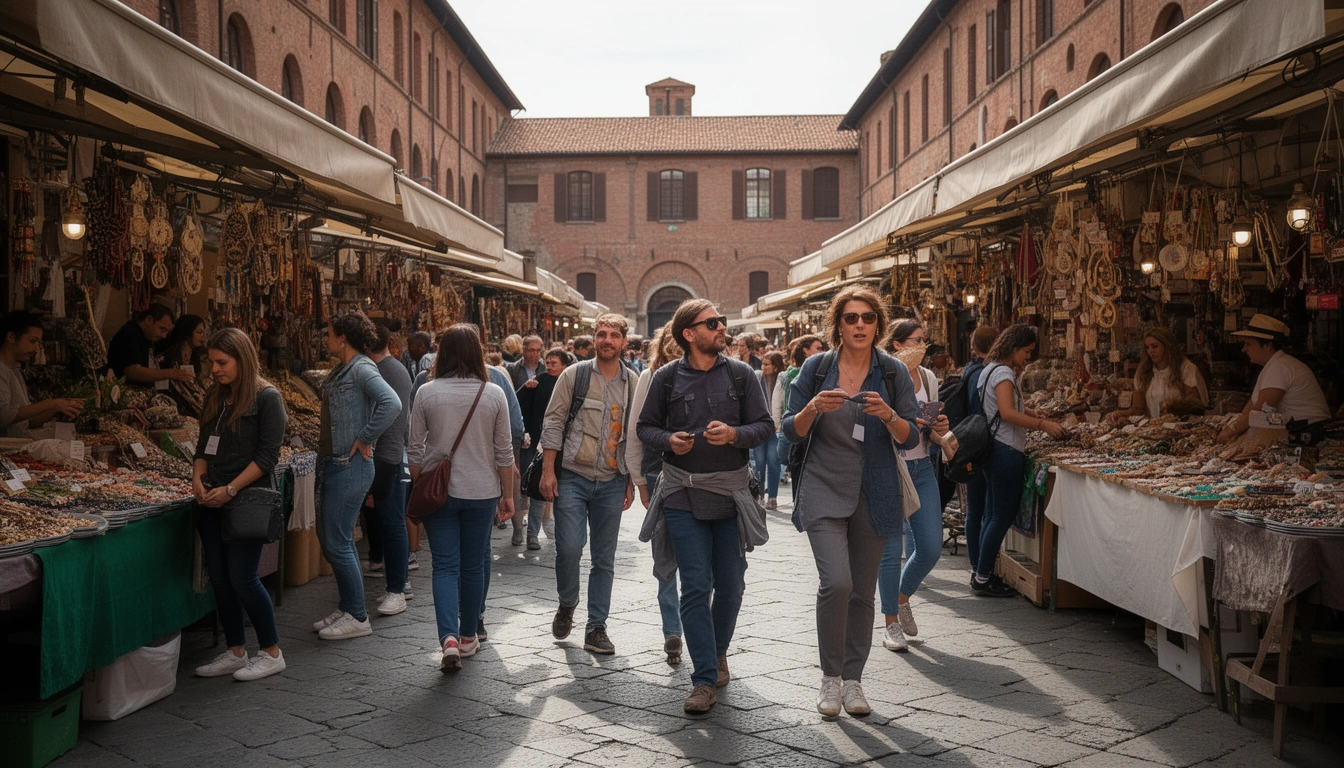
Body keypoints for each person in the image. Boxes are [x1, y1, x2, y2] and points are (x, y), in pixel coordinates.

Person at [782, 285, 921, 718]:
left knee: (862, 593)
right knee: (836, 583)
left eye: (868, 318)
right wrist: (813, 410)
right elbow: (789, 428)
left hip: (876, 490)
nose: (860, 325)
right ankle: (830, 677)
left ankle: (854, 681)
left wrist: (890, 416)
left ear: (878, 324)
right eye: (850, 318)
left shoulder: (894, 371)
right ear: (837, 324)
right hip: (823, 485)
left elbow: (913, 436)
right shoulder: (816, 367)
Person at [637, 301, 773, 713]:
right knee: (695, 584)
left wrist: (734, 434)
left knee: (731, 585)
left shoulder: (742, 374)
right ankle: (702, 680)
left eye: (722, 321)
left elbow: (766, 426)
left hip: (731, 494)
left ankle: (717, 652)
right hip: (681, 491)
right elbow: (645, 427)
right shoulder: (665, 377)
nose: (722, 328)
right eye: (713, 323)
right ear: (689, 334)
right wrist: (668, 441)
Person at [407, 325, 515, 670]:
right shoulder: (493, 393)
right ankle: (469, 635)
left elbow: (414, 450)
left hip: (440, 493)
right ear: (477, 353)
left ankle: (448, 638)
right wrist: (508, 495)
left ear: (441, 353)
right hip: (482, 492)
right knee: (472, 566)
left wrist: (422, 482)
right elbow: (505, 452)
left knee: (444, 566)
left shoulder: (426, 392)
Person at [190, 328, 288, 681]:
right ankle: (234, 651)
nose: (214, 369)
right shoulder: (215, 397)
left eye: (222, 362)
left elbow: (267, 457)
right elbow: (202, 448)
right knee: (220, 579)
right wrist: (197, 478)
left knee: (243, 578)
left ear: (242, 359)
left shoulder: (267, 398)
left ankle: (271, 651)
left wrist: (231, 489)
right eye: (211, 362)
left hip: (246, 500)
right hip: (212, 499)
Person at [539, 314, 637, 655]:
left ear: (624, 342)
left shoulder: (633, 383)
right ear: (594, 339)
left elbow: (633, 436)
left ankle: (596, 627)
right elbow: (552, 423)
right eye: (601, 334)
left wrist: (631, 480)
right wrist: (548, 471)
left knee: (604, 558)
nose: (606, 340)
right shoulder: (574, 375)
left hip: (612, 480)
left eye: (613, 335)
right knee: (568, 548)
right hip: (573, 476)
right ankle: (568, 603)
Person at [311, 313, 401, 641]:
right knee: (333, 539)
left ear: (344, 338)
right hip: (336, 464)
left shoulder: (361, 368)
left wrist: (365, 437)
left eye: (329, 334)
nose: (326, 339)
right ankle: (348, 604)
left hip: (350, 467)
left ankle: (357, 615)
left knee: (338, 540)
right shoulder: (344, 369)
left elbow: (391, 403)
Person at [968, 325, 1065, 598]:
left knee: (991, 514)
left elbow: (1003, 408)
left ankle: (982, 572)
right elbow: (1007, 412)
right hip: (1005, 449)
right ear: (1013, 348)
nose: (1028, 358)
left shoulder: (988, 369)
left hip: (993, 449)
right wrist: (1042, 424)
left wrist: (1033, 411)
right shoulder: (1003, 373)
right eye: (1026, 351)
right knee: (1000, 515)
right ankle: (984, 576)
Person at [878, 320, 951, 653]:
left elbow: (932, 426)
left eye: (925, 340)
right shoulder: (884, 373)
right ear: (897, 344)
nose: (923, 346)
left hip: (922, 466)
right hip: (891, 466)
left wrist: (938, 425)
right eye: (916, 340)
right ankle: (890, 621)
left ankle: (902, 597)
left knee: (930, 548)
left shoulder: (928, 377)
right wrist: (903, 421)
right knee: (892, 551)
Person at [625, 325, 685, 665]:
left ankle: (692, 626)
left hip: (704, 476)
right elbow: (637, 428)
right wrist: (640, 481)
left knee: (696, 558)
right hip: (658, 470)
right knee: (664, 554)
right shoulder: (652, 376)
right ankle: (672, 630)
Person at [362, 323, 414, 617]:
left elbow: (388, 413)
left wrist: (366, 438)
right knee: (389, 521)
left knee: (392, 522)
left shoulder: (387, 371)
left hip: (388, 455)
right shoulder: (394, 368)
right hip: (390, 453)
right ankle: (397, 585)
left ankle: (399, 586)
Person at [1219, 314, 1331, 442]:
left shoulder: (1279, 367)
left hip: (1308, 432)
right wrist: (1236, 427)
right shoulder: (1273, 365)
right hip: (1297, 427)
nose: (1244, 349)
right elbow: (1253, 407)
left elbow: (1260, 412)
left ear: (1268, 346)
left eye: (1248, 344)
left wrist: (1230, 431)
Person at [0, 311, 83, 438]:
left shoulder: (14, 369)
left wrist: (56, 409)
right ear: (11, 337)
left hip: (19, 449)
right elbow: (3, 416)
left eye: (39, 343)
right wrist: (50, 404)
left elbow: (25, 422)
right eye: (33, 341)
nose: (36, 349)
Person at [1107, 327, 1208, 424]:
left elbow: (1195, 403)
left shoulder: (1186, 368)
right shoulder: (1143, 372)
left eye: (1155, 346)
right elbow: (1138, 408)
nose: (1151, 351)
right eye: (1147, 347)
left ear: (1167, 346)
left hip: (1181, 428)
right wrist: (1121, 413)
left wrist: (1175, 406)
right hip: (1154, 429)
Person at [518, 348, 565, 550]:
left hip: (565, 445)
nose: (550, 366)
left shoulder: (570, 382)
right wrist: (525, 387)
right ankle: (532, 534)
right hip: (540, 443)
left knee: (564, 492)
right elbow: (520, 404)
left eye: (554, 363)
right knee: (538, 488)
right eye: (548, 362)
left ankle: (558, 530)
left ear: (564, 365)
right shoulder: (539, 381)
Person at [107, 304, 197, 386]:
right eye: (162, 329)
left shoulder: (147, 337)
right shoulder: (130, 334)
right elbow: (133, 371)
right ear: (148, 320)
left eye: (166, 332)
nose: (164, 335)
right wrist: (171, 373)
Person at [754, 351, 785, 508]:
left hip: (776, 427)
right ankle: (759, 495)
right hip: (760, 426)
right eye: (763, 363)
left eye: (767, 364)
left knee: (773, 461)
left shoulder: (782, 380)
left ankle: (772, 497)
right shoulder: (757, 378)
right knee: (759, 462)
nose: (763, 367)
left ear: (775, 366)